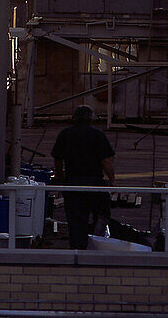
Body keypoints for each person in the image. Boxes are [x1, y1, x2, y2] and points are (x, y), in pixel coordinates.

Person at [51, 105, 115, 249]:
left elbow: (58, 159)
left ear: (74, 118)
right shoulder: (98, 135)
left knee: (76, 220)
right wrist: (112, 180)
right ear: (91, 118)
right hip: (95, 182)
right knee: (101, 216)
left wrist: (61, 177)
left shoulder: (65, 134)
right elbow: (106, 161)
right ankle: (97, 245)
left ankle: (77, 249)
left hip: (73, 183)